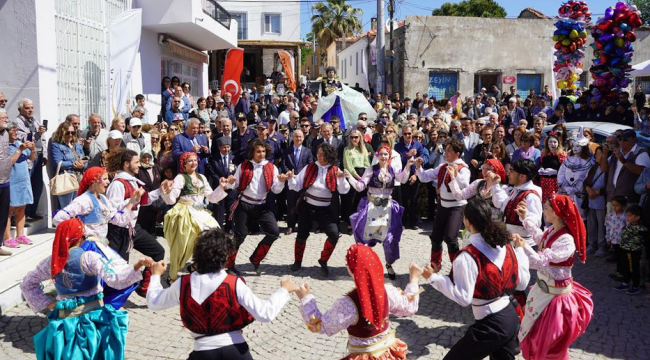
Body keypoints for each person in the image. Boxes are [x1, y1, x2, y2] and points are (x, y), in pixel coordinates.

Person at [146, 228, 297, 360]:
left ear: (196, 256)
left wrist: (155, 275)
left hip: (202, 352)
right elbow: (265, 314)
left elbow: (153, 302)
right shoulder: (234, 283)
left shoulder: (182, 283)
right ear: (225, 258)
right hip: (236, 351)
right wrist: (283, 291)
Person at [20, 218, 153, 360]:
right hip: (93, 320)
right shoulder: (89, 258)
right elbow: (116, 279)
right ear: (80, 237)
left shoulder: (51, 261)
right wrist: (137, 265)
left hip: (66, 322)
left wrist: (47, 303)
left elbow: (27, 284)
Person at [422, 199, 530, 360]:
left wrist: (433, 278)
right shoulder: (505, 245)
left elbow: (463, 297)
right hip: (511, 316)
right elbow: (522, 283)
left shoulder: (467, 257)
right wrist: (520, 252)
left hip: (492, 324)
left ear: (466, 222)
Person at [296, 244, 421, 360]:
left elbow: (322, 326)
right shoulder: (388, 292)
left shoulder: (348, 304)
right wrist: (414, 279)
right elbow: (409, 307)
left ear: (350, 270)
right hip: (388, 354)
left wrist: (306, 298)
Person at [514, 194, 593, 360]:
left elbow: (542, 262)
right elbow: (540, 238)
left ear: (556, 213)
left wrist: (524, 247)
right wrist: (525, 218)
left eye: (546, 208)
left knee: (549, 343)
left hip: (555, 300)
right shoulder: (552, 230)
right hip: (543, 293)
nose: (543, 211)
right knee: (534, 336)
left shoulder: (567, 240)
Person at [52, 167, 144, 305]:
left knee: (120, 277)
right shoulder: (84, 200)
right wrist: (80, 232)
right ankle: (93, 310)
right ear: (94, 181)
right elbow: (59, 218)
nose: (108, 182)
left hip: (102, 246)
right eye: (105, 179)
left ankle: (103, 308)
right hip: (88, 247)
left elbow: (119, 219)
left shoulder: (103, 199)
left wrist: (132, 201)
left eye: (108, 179)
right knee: (98, 282)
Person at [105, 148, 166, 297]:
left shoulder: (131, 181)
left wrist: (160, 191)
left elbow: (143, 201)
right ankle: (111, 301)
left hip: (132, 228)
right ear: (127, 164)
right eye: (136, 162)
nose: (139, 165)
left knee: (158, 251)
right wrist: (132, 200)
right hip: (119, 231)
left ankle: (144, 288)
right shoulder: (118, 184)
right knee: (120, 269)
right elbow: (112, 213)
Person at [223, 139, 288, 275]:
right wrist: (229, 182)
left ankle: (256, 258)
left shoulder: (271, 167)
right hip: (244, 204)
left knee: (274, 232)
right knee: (240, 235)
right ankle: (229, 264)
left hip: (262, 205)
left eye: (263, 151)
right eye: (258, 151)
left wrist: (281, 182)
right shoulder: (244, 166)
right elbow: (234, 184)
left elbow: (276, 190)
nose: (261, 154)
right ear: (252, 152)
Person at [161, 152, 228, 281]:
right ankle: (173, 276)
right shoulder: (181, 177)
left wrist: (221, 187)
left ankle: (198, 266)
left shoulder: (202, 177)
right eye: (190, 161)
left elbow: (212, 198)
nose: (193, 163)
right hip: (185, 212)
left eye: (195, 160)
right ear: (184, 164)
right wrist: (167, 191)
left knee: (214, 234)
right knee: (184, 243)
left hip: (201, 212)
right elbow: (171, 199)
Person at [345, 145, 409, 279]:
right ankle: (363, 265)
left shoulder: (393, 169)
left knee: (390, 239)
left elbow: (403, 179)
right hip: (372, 208)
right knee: (366, 237)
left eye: (386, 154)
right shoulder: (371, 169)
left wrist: (408, 165)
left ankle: (389, 264)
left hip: (388, 209)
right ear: (377, 156)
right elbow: (360, 186)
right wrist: (349, 177)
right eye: (381, 154)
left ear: (389, 156)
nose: (384, 157)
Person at [287, 143, 350, 276]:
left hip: (325, 209)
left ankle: (323, 261)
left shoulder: (334, 170)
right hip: (307, 207)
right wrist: (291, 179)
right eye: (318, 154)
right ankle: (297, 261)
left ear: (329, 155)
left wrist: (342, 179)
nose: (319, 156)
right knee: (301, 235)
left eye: (322, 154)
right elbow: (297, 186)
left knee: (333, 234)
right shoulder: (310, 167)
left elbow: (344, 191)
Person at [415, 138, 470, 268]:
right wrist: (418, 167)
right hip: (442, 205)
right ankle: (435, 265)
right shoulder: (443, 166)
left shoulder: (463, 169)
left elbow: (465, 185)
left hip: (457, 206)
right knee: (435, 237)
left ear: (457, 153)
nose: (446, 153)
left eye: (450, 150)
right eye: (446, 150)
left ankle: (457, 268)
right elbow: (424, 177)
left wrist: (454, 175)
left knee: (451, 238)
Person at [3, 122, 37, 248]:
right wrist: (20, 150)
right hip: (11, 180)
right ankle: (7, 238)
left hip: (23, 180)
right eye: (13, 130)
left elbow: (32, 158)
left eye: (16, 129)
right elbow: (8, 162)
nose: (16, 132)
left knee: (21, 208)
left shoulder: (18, 143)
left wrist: (32, 148)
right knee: (8, 209)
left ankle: (20, 235)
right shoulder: (4, 145)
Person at [281, 130, 313, 235]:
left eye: (300, 137)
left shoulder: (307, 151)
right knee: (291, 204)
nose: (298, 139)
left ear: (303, 138)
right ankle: (290, 226)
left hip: (303, 182)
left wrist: (303, 175)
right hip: (291, 181)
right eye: (296, 137)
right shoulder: (287, 151)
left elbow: (310, 164)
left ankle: (301, 226)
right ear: (293, 138)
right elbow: (284, 164)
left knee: (302, 204)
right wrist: (289, 173)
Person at [50, 120, 86, 209]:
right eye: (67, 133)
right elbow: (58, 163)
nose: (70, 135)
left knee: (79, 209)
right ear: (62, 133)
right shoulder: (56, 145)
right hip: (67, 179)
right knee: (67, 209)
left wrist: (83, 165)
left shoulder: (77, 145)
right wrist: (74, 164)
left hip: (80, 179)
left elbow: (84, 160)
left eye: (72, 132)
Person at [558, 127, 594, 214]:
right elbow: (561, 173)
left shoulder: (589, 161)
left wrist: (577, 188)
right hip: (566, 192)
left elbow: (588, 177)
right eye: (573, 146)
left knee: (579, 215)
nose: (574, 148)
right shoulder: (568, 159)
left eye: (577, 146)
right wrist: (565, 187)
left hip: (580, 194)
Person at [613, 205, 647, 295]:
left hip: (633, 251)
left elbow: (640, 240)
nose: (627, 218)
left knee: (634, 268)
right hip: (625, 249)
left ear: (637, 217)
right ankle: (626, 282)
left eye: (629, 216)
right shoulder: (630, 225)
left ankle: (635, 286)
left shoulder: (641, 229)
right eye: (627, 215)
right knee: (625, 266)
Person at [584, 146, 608, 257]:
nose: (596, 156)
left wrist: (599, 192)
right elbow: (586, 181)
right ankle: (591, 244)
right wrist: (589, 190)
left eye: (599, 154)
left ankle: (602, 246)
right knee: (591, 223)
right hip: (591, 199)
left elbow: (609, 184)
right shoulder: (594, 167)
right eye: (596, 154)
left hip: (601, 200)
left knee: (601, 224)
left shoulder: (608, 168)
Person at [0, 110, 14, 255]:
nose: (6, 120)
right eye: (3, 118)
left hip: (5, 181)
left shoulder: (5, 133)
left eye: (6, 117)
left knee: (3, 215)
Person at [538, 132, 567, 202]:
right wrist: (541, 169)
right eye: (550, 142)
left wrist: (555, 172)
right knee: (545, 202)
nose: (552, 144)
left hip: (555, 183)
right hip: (544, 182)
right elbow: (542, 164)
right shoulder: (544, 154)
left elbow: (565, 170)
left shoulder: (562, 155)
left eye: (554, 142)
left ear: (558, 143)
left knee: (554, 202)